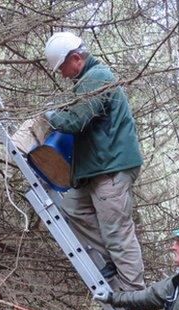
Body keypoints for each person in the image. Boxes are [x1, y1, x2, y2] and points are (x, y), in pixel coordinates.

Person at [42, 31, 145, 290]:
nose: (62, 74)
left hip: (111, 168)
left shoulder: (97, 78)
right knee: (72, 208)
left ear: (76, 58)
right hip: (98, 168)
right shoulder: (87, 81)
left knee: (118, 234)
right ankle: (112, 258)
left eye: (62, 67)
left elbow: (76, 121)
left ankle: (134, 294)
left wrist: (50, 116)